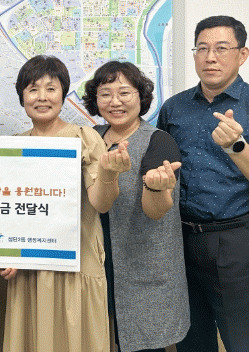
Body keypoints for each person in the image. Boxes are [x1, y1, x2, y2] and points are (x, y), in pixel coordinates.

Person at [0, 55, 129, 352]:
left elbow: (101, 203)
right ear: (22, 97)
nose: (42, 97)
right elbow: (3, 214)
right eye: (33, 89)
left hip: (76, 265)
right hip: (27, 270)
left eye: (51, 88)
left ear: (63, 94)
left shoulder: (84, 138)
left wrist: (109, 174)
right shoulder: (13, 146)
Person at [157, 16, 249, 352]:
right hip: (180, 239)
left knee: (245, 343)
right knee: (190, 342)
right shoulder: (174, 108)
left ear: (242, 54)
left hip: (238, 242)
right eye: (202, 49)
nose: (210, 57)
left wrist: (236, 146)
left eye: (221, 48)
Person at [83, 61, 189, 352]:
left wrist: (155, 185)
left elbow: (156, 210)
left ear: (141, 97)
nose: (115, 102)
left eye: (124, 93)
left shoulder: (159, 141)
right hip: (97, 266)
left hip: (144, 270)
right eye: (105, 94)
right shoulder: (90, 138)